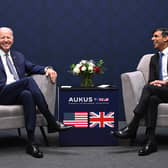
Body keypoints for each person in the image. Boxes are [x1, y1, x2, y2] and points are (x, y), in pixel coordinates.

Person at [0, 27, 73, 158]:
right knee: (27, 82)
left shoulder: (18, 56)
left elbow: (33, 67)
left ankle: (31, 142)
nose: (6, 40)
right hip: (2, 93)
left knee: (27, 95)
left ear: (13, 39)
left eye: (8, 37)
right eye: (2, 37)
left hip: (16, 94)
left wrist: (48, 69)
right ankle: (50, 119)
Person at [111, 27, 168, 156]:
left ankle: (133, 125)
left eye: (156, 36)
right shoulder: (154, 58)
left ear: (166, 38)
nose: (152, 39)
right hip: (162, 92)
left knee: (148, 89)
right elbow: (152, 80)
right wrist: (157, 84)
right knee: (152, 99)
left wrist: (165, 82)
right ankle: (150, 141)